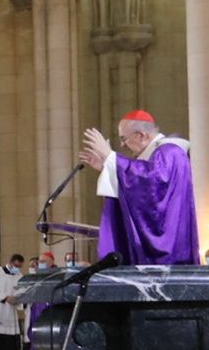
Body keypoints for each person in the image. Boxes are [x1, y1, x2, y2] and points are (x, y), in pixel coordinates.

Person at [81, 109, 198, 265]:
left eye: (124, 139)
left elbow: (152, 185)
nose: (122, 145)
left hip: (169, 250)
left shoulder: (169, 152)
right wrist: (107, 167)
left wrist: (112, 158)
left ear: (141, 135)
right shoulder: (160, 154)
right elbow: (141, 183)